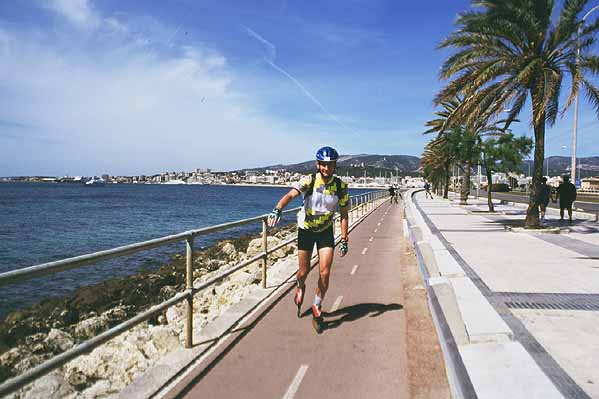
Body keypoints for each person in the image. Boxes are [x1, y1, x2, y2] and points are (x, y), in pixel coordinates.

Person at [267, 146, 349, 334]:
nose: (327, 169)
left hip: (325, 232)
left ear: (335, 165)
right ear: (318, 164)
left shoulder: (341, 187)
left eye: (330, 165)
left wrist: (345, 239)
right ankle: (300, 286)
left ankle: (317, 306)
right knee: (303, 272)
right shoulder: (309, 180)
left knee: (325, 272)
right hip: (306, 230)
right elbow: (290, 194)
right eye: (323, 165)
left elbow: (344, 214)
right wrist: (278, 208)